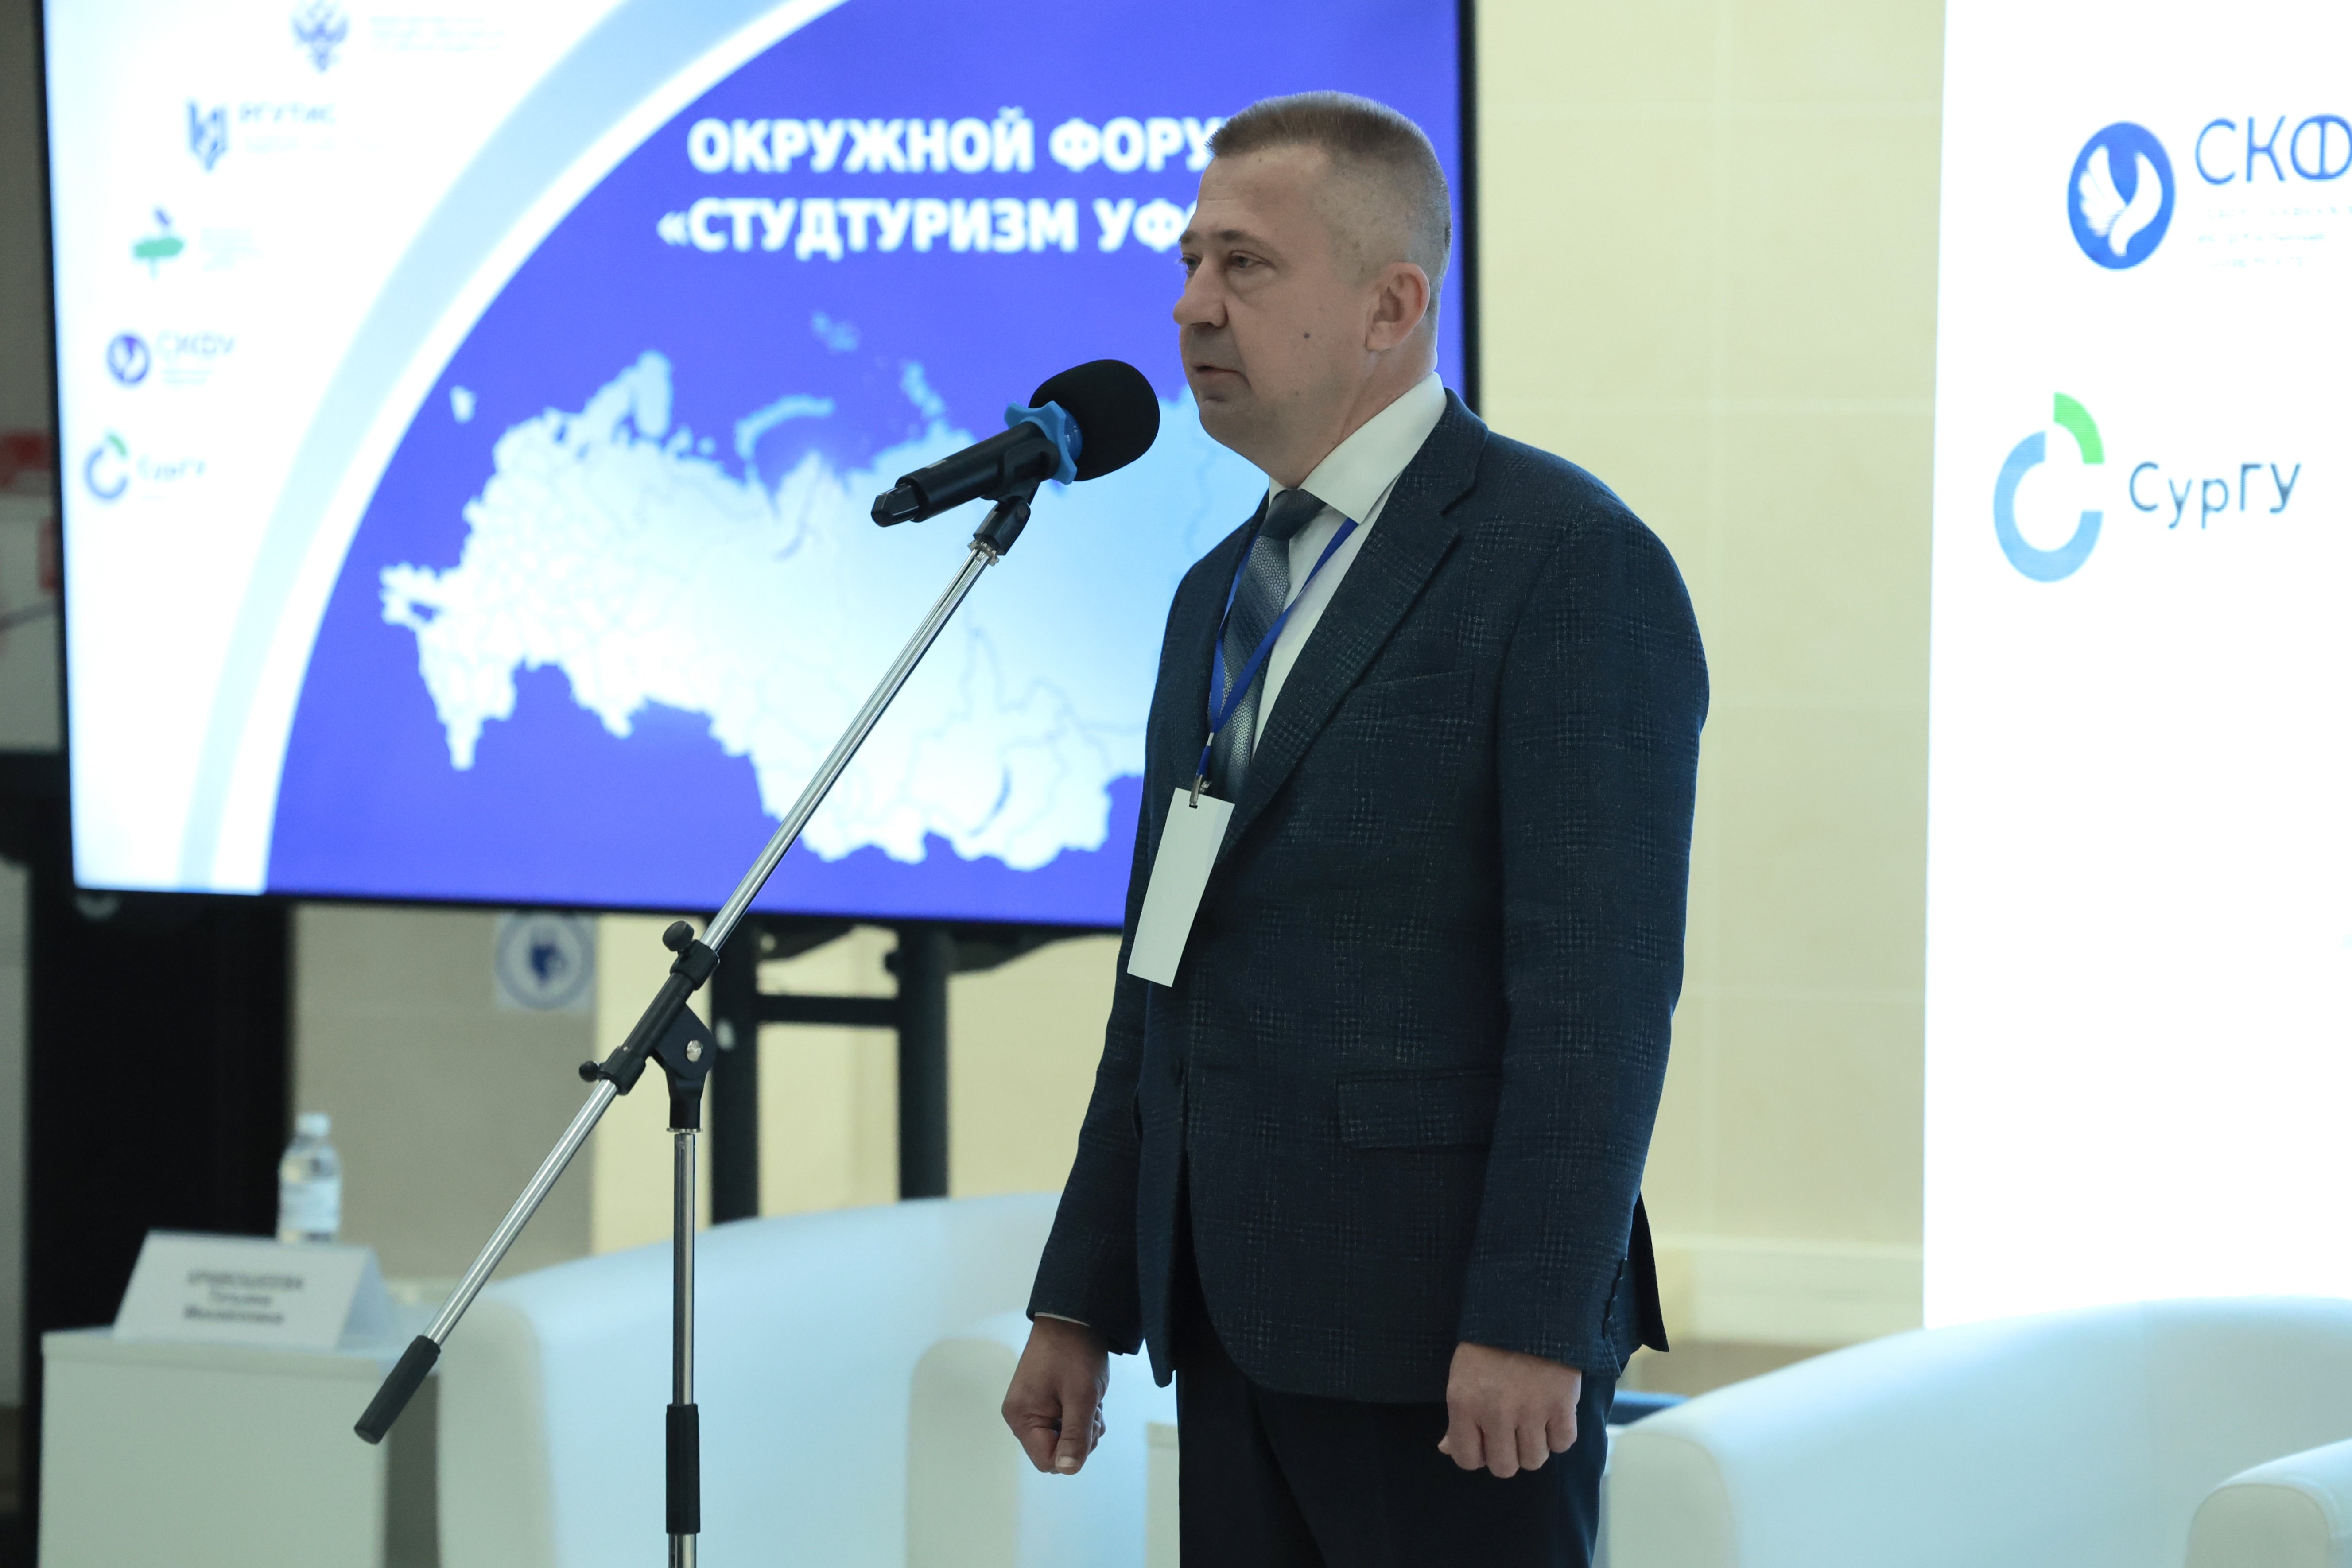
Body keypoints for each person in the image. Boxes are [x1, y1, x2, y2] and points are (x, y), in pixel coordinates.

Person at [1000, 91, 1706, 1568]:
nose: (1192, 305)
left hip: (1450, 1351)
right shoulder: (1216, 591)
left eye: (1244, 265)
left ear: (1393, 305)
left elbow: (1597, 996)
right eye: (1191, 261)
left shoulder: (1567, 564)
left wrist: (1529, 1318)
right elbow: (1162, 970)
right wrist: (1081, 1293)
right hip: (1231, 1322)